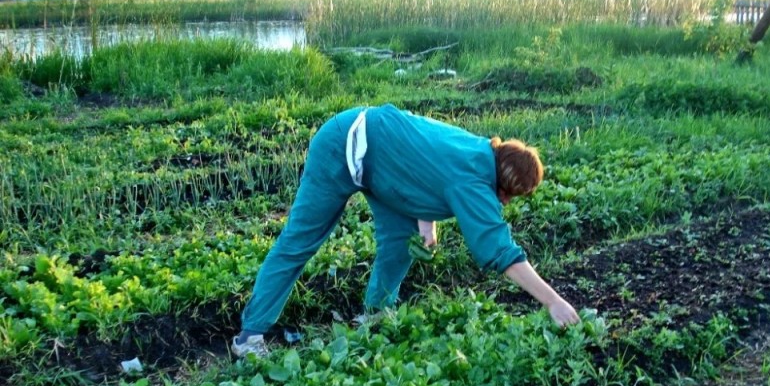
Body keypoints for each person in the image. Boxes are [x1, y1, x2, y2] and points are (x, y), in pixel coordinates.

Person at [232, 104, 580, 357]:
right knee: (300, 241)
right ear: (502, 185)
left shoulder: (477, 152)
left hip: (381, 160)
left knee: (399, 244)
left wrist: (425, 221)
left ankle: (375, 315)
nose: (503, 204)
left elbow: (421, 160)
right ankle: (249, 337)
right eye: (508, 196)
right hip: (342, 146)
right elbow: (499, 250)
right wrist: (553, 301)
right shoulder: (474, 179)